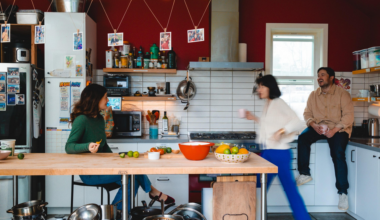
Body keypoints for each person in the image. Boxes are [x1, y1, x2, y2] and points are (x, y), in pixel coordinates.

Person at [65, 84, 174, 212]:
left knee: (132, 179)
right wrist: (87, 146)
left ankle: (116, 213)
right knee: (131, 174)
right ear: (95, 99)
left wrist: (116, 160)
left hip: (101, 168)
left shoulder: (100, 119)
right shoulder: (82, 120)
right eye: (105, 97)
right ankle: (150, 194)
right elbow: (69, 146)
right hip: (89, 173)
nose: (108, 101)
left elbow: (103, 145)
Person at [245, 75, 311, 220]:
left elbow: (297, 122)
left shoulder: (278, 102)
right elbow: (269, 124)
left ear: (270, 87)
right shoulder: (268, 104)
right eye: (259, 86)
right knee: (257, 188)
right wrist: (254, 118)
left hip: (279, 154)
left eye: (262, 86)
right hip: (268, 153)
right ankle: (250, 216)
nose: (259, 89)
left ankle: (304, 218)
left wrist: (281, 131)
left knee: (289, 190)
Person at [296, 67, 354, 211]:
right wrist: (313, 125)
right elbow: (307, 113)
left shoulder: (343, 94)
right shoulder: (313, 95)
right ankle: (304, 173)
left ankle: (343, 193)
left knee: (338, 154)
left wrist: (334, 130)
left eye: (322, 75)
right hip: (318, 127)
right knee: (303, 138)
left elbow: (348, 116)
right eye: (318, 76)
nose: (319, 78)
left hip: (338, 128)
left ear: (331, 77)